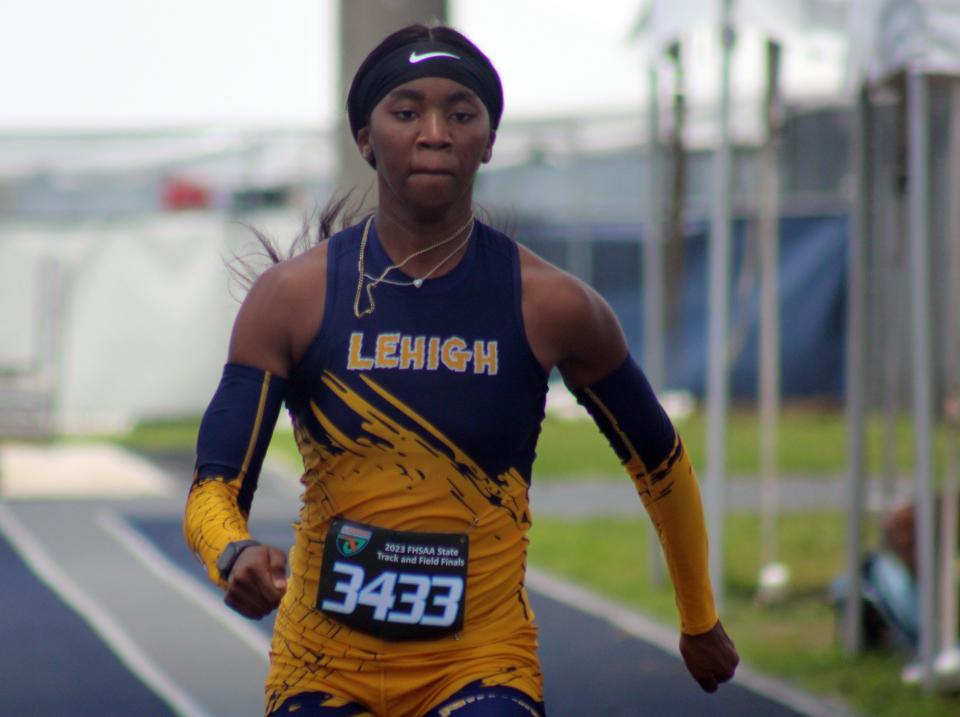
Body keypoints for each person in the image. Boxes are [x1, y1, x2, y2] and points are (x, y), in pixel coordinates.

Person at [183, 22, 739, 717]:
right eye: (407, 111)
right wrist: (233, 553)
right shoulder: (292, 299)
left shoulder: (550, 304)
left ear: (490, 140)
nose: (435, 132)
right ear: (366, 138)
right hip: (324, 667)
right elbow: (213, 488)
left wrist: (698, 615)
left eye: (461, 113)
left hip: (480, 663)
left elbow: (660, 461)